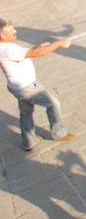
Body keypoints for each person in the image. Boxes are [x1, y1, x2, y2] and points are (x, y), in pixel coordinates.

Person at [0, 18, 75, 151]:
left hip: (16, 87)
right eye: (11, 31)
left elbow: (28, 52)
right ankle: (59, 133)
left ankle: (29, 142)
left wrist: (38, 46)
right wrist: (59, 43)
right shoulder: (7, 49)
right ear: (2, 36)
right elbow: (36, 53)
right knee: (53, 104)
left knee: (26, 113)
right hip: (27, 88)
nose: (15, 31)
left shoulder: (6, 46)